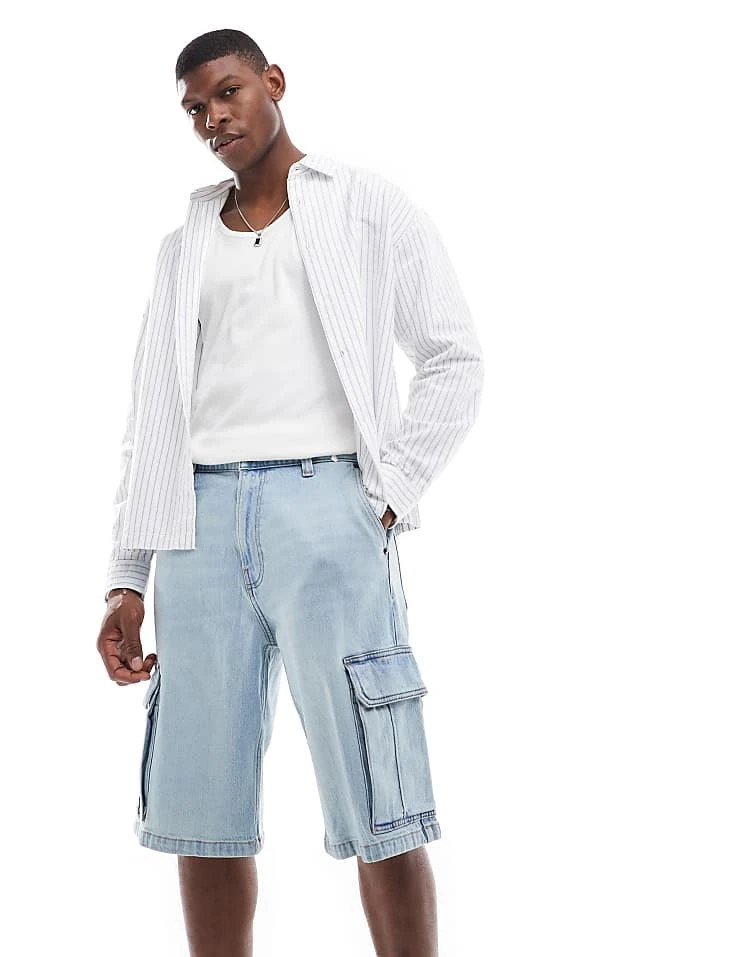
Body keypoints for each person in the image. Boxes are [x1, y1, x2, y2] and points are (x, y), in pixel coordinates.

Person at [95, 28, 484, 957]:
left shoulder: (364, 205)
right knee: (202, 808)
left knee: (380, 794)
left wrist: (386, 495)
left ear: (273, 81)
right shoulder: (184, 244)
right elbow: (153, 414)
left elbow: (454, 357)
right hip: (196, 526)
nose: (213, 117)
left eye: (228, 92)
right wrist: (127, 576)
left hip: (329, 511)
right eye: (195, 108)